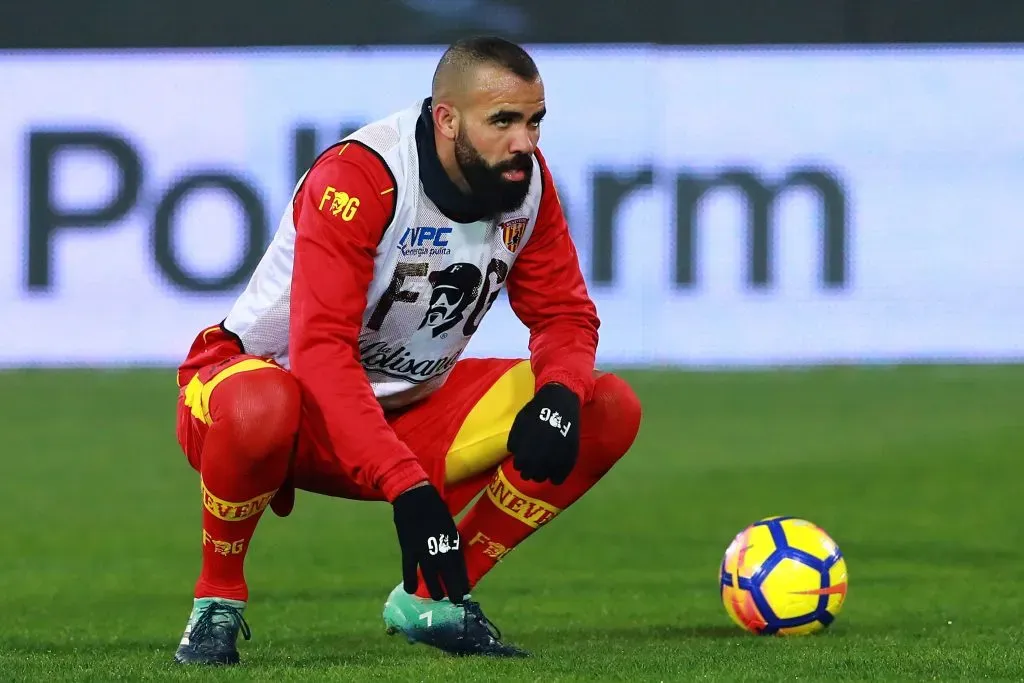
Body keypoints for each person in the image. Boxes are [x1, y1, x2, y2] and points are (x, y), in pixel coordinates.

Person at [172, 35, 642, 665]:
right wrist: (407, 490)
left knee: (606, 406)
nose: (524, 143)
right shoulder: (361, 178)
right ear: (446, 119)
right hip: (283, 408)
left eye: (534, 121)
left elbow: (564, 314)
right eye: (502, 121)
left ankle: (436, 597)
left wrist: (558, 394)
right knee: (262, 403)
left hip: (409, 410)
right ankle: (217, 601)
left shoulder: (525, 182)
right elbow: (321, 357)